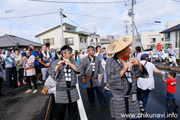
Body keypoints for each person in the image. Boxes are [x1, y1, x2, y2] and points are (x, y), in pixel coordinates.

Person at [106, 35, 148, 120]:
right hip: (119, 99)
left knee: (135, 118)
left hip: (132, 97)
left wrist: (139, 64)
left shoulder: (129, 60)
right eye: (127, 47)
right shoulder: (110, 62)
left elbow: (142, 75)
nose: (130, 50)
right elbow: (110, 81)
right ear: (121, 50)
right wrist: (123, 69)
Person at [49, 45, 81, 120]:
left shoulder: (73, 61)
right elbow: (51, 74)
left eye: (71, 53)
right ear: (63, 54)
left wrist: (70, 64)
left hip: (72, 91)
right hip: (61, 92)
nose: (71, 54)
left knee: (73, 113)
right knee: (60, 113)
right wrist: (58, 66)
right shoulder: (56, 62)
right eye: (69, 53)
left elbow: (80, 70)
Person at [81, 46, 108, 110]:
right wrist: (83, 78)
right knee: (90, 93)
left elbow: (100, 67)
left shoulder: (97, 58)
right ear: (88, 51)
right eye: (92, 51)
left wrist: (100, 75)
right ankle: (92, 105)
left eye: (94, 51)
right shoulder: (85, 59)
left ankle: (103, 104)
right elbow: (82, 69)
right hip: (88, 78)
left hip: (95, 78)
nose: (93, 52)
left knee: (100, 92)